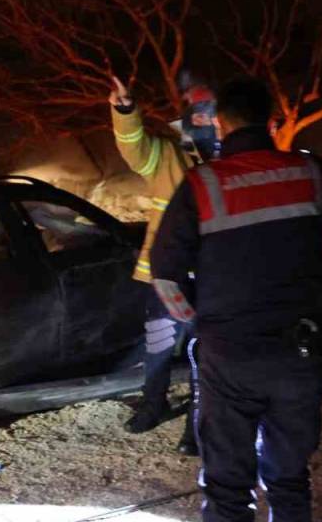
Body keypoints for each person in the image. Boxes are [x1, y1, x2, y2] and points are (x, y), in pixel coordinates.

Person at [150, 77, 322, 522]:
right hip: (300, 348)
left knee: (229, 484)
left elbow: (166, 273)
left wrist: (201, 323)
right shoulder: (311, 172)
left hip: (230, 351)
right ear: (271, 118)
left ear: (221, 121)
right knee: (290, 478)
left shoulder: (203, 183)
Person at [107, 76, 199, 451]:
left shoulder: (231, 164)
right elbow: (134, 148)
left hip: (213, 276)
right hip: (165, 278)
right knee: (158, 345)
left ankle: (196, 424)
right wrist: (126, 111)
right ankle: (152, 405)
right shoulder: (166, 156)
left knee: (204, 354)